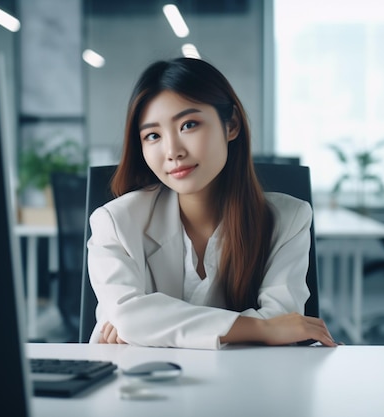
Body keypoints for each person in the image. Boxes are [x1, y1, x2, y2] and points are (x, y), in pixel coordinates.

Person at [86, 57, 336, 349]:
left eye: (188, 125)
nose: (173, 151)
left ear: (231, 125)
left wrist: (153, 328)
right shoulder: (115, 222)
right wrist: (261, 327)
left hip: (245, 386)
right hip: (138, 387)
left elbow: (284, 323)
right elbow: (129, 317)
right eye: (153, 135)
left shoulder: (289, 218)